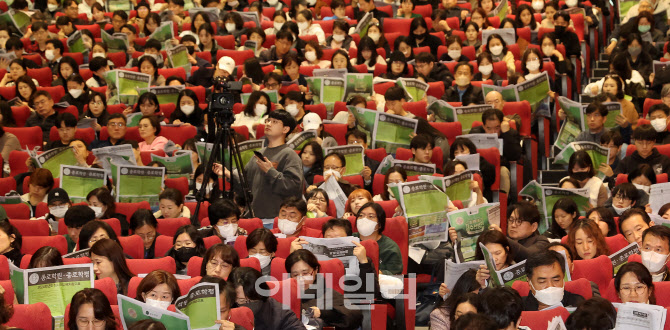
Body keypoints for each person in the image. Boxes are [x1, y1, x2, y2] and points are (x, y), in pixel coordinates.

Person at [217, 110, 304, 218]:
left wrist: (270, 171)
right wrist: (229, 174)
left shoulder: (289, 155)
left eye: (274, 122)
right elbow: (245, 188)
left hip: (276, 219)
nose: (268, 124)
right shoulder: (259, 154)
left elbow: (293, 188)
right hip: (253, 217)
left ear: (285, 129)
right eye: (267, 120)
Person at [285, 249, 363, 329]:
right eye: (295, 275)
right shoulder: (284, 296)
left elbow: (355, 316)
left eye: (305, 273)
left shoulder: (328, 294)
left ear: (315, 270)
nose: (300, 279)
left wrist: (322, 313)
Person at [227, 267, 307, 329]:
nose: (248, 305)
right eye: (242, 300)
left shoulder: (279, 313)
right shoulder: (224, 309)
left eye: (252, 299)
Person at [354, 202, 403, 275]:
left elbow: (394, 274)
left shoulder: (390, 248)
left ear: (379, 224)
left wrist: (371, 271)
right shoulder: (349, 239)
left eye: (371, 216)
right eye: (361, 215)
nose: (364, 219)